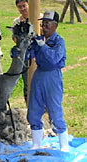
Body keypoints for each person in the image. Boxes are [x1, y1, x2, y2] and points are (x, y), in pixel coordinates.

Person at [27, 11, 69, 152]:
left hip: (53, 76)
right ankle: (36, 143)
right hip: (39, 74)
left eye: (47, 24)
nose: (44, 27)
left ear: (55, 26)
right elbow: (29, 56)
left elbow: (53, 59)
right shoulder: (39, 39)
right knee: (33, 110)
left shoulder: (59, 42)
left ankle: (64, 145)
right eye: (42, 24)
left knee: (55, 110)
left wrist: (43, 46)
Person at [13, 0, 29, 104]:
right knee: (27, 82)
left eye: (24, 6)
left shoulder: (39, 17)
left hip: (38, 55)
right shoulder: (16, 22)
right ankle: (29, 106)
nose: (22, 9)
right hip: (24, 56)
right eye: (20, 7)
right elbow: (14, 39)